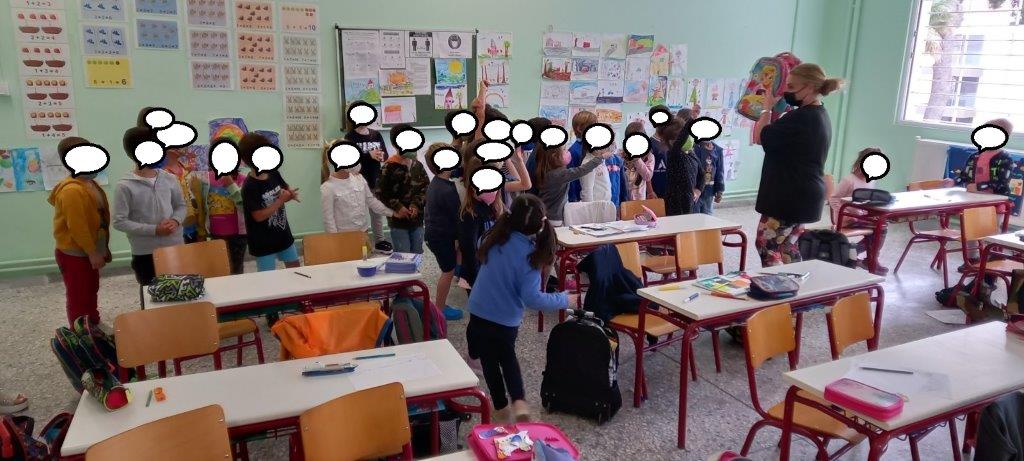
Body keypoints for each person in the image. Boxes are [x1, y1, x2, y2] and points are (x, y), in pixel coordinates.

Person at [466, 194, 577, 422]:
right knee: (507, 357)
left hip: (479, 310)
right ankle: (519, 402)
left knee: (489, 361)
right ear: (541, 224)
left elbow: (479, 245)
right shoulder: (530, 255)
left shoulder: (494, 239)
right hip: (505, 319)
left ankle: (500, 406)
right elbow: (533, 299)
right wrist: (564, 299)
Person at [753, 62, 844, 267]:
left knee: (767, 246)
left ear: (809, 88)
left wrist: (766, 108)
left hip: (788, 196)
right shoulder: (820, 114)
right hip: (805, 195)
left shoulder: (800, 118)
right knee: (788, 247)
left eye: (791, 86)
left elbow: (760, 136)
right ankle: (795, 284)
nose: (786, 91)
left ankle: (777, 284)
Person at [50, 136, 111, 326]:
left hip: (91, 248)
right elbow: (77, 226)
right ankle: (79, 332)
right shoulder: (71, 191)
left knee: (91, 288)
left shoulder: (90, 184)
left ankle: (92, 322)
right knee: (78, 294)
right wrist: (92, 253)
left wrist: (100, 249)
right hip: (75, 253)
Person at [113, 126, 186, 286]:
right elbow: (119, 221)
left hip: (174, 247)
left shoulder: (170, 179)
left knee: (179, 290)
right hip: (145, 253)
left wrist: (175, 220)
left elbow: (181, 206)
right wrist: (154, 230)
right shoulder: (124, 186)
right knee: (151, 293)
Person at [239, 133, 301, 272]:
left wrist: (290, 194)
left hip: (283, 235)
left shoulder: (273, 173)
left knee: (295, 269)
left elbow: (284, 189)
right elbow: (258, 216)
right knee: (267, 278)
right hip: (263, 242)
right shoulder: (249, 186)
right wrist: (280, 200)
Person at [320, 142, 400, 239]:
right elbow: (328, 220)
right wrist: (335, 240)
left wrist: (392, 213)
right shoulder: (328, 187)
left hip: (363, 232)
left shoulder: (359, 179)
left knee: (364, 249)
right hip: (343, 236)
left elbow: (372, 201)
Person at [457, 142, 507, 293]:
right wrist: (480, 281)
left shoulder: (494, 207)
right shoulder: (470, 214)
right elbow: (469, 251)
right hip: (477, 276)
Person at [829, 147, 890, 272]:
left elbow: (867, 201)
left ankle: (858, 253)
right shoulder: (849, 180)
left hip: (861, 216)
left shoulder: (871, 180)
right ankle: (867, 257)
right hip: (846, 218)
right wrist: (846, 213)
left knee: (881, 226)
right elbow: (833, 199)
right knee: (881, 228)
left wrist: (872, 213)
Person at [423, 143, 465, 321]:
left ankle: (440, 306)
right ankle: (439, 309)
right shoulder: (447, 190)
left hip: (435, 234)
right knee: (448, 271)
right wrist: (457, 239)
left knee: (449, 268)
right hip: (441, 237)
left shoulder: (438, 182)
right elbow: (456, 218)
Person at [339, 101, 390, 244]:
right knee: (358, 214)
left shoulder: (376, 134)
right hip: (356, 183)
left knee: (377, 214)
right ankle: (360, 243)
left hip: (374, 180)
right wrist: (368, 155)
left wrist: (381, 156)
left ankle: (380, 241)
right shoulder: (350, 137)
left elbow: (385, 155)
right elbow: (348, 159)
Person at [375, 123, 429, 254]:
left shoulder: (417, 165)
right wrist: (398, 207)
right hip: (398, 221)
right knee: (403, 253)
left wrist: (416, 205)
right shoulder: (388, 167)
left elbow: (426, 188)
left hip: (417, 220)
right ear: (395, 145)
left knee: (417, 251)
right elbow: (381, 193)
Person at [534, 135, 609, 226]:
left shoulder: (546, 172)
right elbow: (581, 171)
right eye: (564, 150)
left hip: (547, 216)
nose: (568, 152)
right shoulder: (558, 175)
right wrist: (601, 158)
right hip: (554, 220)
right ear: (554, 157)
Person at [198, 157, 247, 275]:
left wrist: (231, 184)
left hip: (238, 234)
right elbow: (201, 204)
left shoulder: (242, 179)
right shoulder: (206, 179)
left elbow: (244, 207)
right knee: (220, 268)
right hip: (215, 232)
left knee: (236, 269)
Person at [957, 118, 1015, 195]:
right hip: (973, 195)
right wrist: (953, 182)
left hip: (996, 198)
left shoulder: (1005, 158)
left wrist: (979, 187)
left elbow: (1001, 182)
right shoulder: (974, 157)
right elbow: (964, 176)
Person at [161, 147, 205, 243]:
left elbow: (199, 201)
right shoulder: (158, 175)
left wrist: (202, 230)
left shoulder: (191, 171)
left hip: (194, 229)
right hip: (171, 232)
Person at [665, 119, 704, 215]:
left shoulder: (691, 154)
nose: (688, 139)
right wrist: (691, 121)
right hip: (675, 202)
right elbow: (679, 142)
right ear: (671, 142)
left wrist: (698, 190)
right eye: (686, 136)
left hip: (690, 200)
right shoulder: (673, 154)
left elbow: (702, 174)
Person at [565, 111, 598, 203]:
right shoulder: (574, 151)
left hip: (595, 198)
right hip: (580, 201)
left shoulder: (594, 150)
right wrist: (574, 201)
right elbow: (571, 181)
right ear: (579, 129)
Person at [621, 121, 655, 201]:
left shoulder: (649, 156)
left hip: (639, 199)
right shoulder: (620, 155)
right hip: (623, 199)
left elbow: (647, 176)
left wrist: (637, 158)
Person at [693, 138, 725, 214]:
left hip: (709, 191)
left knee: (707, 216)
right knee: (694, 217)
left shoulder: (718, 150)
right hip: (695, 191)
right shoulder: (694, 148)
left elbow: (720, 171)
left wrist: (719, 190)